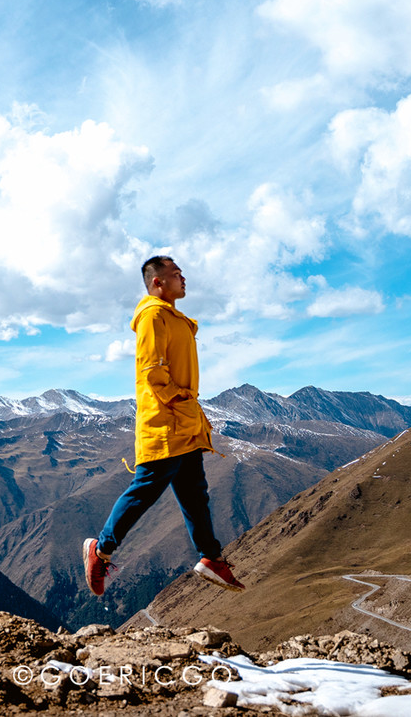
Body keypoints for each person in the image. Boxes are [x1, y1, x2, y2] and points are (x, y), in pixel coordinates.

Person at [83, 255, 245, 595]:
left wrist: (188, 409)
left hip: (182, 423)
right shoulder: (153, 316)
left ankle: (211, 557)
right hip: (166, 423)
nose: (183, 278)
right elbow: (153, 373)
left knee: (195, 494)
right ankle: (100, 549)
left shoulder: (174, 318)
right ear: (158, 282)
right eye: (176, 273)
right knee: (147, 488)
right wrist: (182, 401)